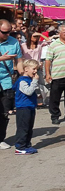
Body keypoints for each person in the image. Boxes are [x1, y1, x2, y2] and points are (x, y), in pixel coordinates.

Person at [0, 19, 23, 150]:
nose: (7, 34)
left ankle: (1, 138)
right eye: (4, 32)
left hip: (6, 81)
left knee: (4, 113)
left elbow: (19, 60)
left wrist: (23, 75)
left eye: (9, 32)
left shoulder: (14, 42)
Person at [13, 59, 40, 155]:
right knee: (23, 127)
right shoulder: (22, 81)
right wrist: (35, 81)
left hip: (30, 106)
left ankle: (27, 144)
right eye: (34, 69)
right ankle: (20, 146)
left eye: (36, 69)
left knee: (29, 127)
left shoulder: (29, 79)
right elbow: (28, 91)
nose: (35, 71)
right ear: (26, 69)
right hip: (23, 107)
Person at [19, 32, 50, 108]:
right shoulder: (24, 45)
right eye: (34, 37)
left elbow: (49, 41)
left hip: (37, 67)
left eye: (36, 37)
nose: (35, 38)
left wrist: (40, 34)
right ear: (30, 37)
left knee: (40, 84)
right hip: (27, 67)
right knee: (28, 84)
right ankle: (29, 101)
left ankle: (40, 101)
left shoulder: (39, 44)